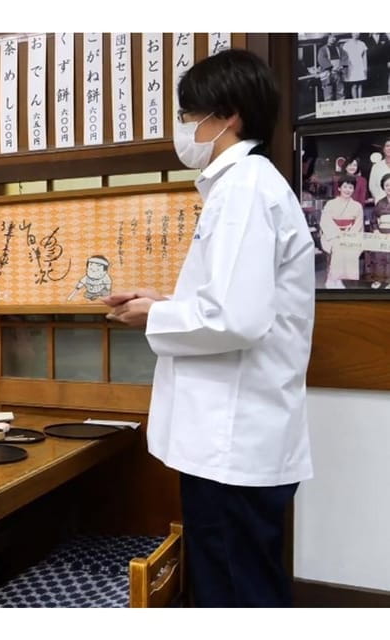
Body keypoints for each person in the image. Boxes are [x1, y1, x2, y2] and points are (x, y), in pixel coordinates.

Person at [103, 49, 314, 607]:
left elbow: (235, 319)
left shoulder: (245, 189)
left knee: (232, 588)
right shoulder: (247, 187)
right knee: (244, 578)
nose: (183, 129)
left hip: (233, 443)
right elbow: (233, 302)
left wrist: (154, 313)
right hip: (238, 439)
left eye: (188, 114)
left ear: (228, 117)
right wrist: (163, 300)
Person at [319, 175, 364, 288]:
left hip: (351, 236)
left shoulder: (357, 206)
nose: (347, 190)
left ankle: (343, 279)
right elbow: (325, 221)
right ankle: (334, 279)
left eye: (350, 187)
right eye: (345, 187)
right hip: (333, 236)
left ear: (353, 189)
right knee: (337, 246)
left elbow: (358, 225)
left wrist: (348, 235)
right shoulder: (330, 204)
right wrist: (339, 235)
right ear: (339, 188)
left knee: (350, 248)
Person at [364, 173, 390, 288]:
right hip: (381, 233)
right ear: (384, 188)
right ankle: (378, 279)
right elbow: (374, 219)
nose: (389, 187)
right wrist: (376, 230)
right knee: (378, 256)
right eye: (387, 185)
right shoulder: (380, 203)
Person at [317, 33, 347, 101]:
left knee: (340, 91)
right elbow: (321, 59)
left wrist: (341, 66)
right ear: (327, 39)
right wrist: (331, 68)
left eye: (334, 37)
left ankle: (340, 107)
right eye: (331, 37)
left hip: (338, 72)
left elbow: (344, 57)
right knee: (328, 92)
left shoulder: (339, 49)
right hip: (328, 73)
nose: (333, 39)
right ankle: (329, 108)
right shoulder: (322, 49)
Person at [342, 33, 368, 99]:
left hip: (360, 65)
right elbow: (344, 57)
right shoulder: (347, 44)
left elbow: (364, 57)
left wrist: (365, 67)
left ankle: (360, 99)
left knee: (360, 84)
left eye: (358, 33)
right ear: (352, 34)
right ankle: (355, 100)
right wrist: (346, 67)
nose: (356, 34)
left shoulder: (362, 44)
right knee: (354, 85)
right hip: (351, 66)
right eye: (354, 33)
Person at [368, 137, 390, 203]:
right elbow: (372, 186)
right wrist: (379, 199)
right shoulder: (376, 166)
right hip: (381, 203)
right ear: (383, 149)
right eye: (387, 146)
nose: (389, 148)